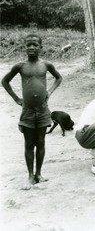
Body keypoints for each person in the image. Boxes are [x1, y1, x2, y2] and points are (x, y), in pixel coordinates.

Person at [1, 34, 62, 189]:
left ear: (40, 47)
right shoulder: (20, 66)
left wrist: (50, 91)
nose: (31, 47)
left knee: (41, 142)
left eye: (35, 44)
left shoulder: (46, 65)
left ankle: (39, 174)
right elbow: (4, 81)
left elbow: (58, 78)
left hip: (42, 110)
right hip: (27, 111)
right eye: (28, 45)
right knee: (29, 143)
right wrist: (17, 99)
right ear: (25, 47)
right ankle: (30, 175)